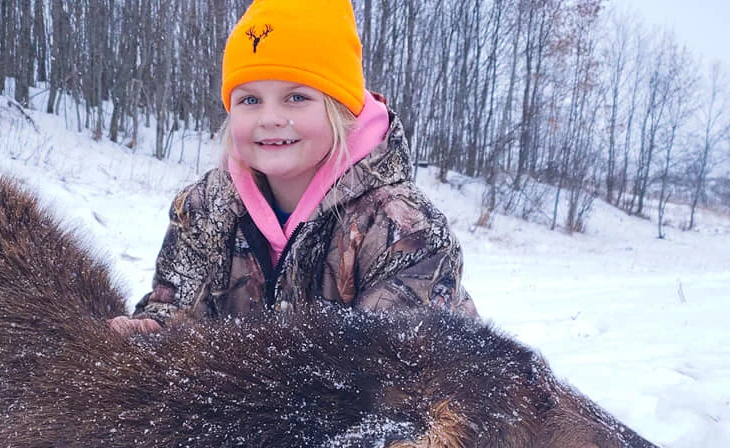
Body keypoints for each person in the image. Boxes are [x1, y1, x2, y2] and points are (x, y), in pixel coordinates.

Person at [109, 0, 475, 336]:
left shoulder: (403, 229)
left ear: (341, 112)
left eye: (297, 97)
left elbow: (395, 375)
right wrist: (155, 335)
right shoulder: (202, 209)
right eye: (250, 99)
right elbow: (176, 306)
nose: (270, 118)